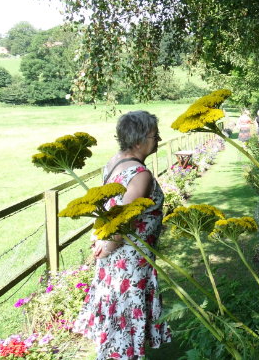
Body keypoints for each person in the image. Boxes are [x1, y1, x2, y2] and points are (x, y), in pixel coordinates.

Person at [73, 111, 171, 360]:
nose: (158, 138)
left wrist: (99, 241)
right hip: (130, 261)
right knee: (124, 324)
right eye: (154, 134)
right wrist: (106, 246)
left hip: (112, 257)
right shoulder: (141, 176)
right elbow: (122, 219)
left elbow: (102, 204)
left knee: (115, 322)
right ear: (138, 141)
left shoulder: (115, 161)